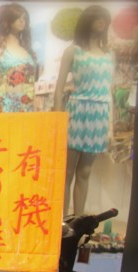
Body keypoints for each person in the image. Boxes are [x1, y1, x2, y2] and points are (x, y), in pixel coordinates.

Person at [54, 5, 114, 216]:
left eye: (104, 19)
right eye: (98, 18)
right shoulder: (73, 51)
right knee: (67, 172)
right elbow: (59, 87)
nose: (102, 23)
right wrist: (59, 119)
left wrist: (110, 127)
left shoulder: (109, 54)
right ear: (87, 21)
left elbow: (109, 91)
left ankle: (78, 221)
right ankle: (61, 222)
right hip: (78, 111)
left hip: (99, 114)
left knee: (85, 171)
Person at [0, 3, 38, 113]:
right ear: (7, 20)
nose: (22, 21)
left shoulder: (28, 52)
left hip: (27, 106)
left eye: (24, 18)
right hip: (3, 106)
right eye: (18, 17)